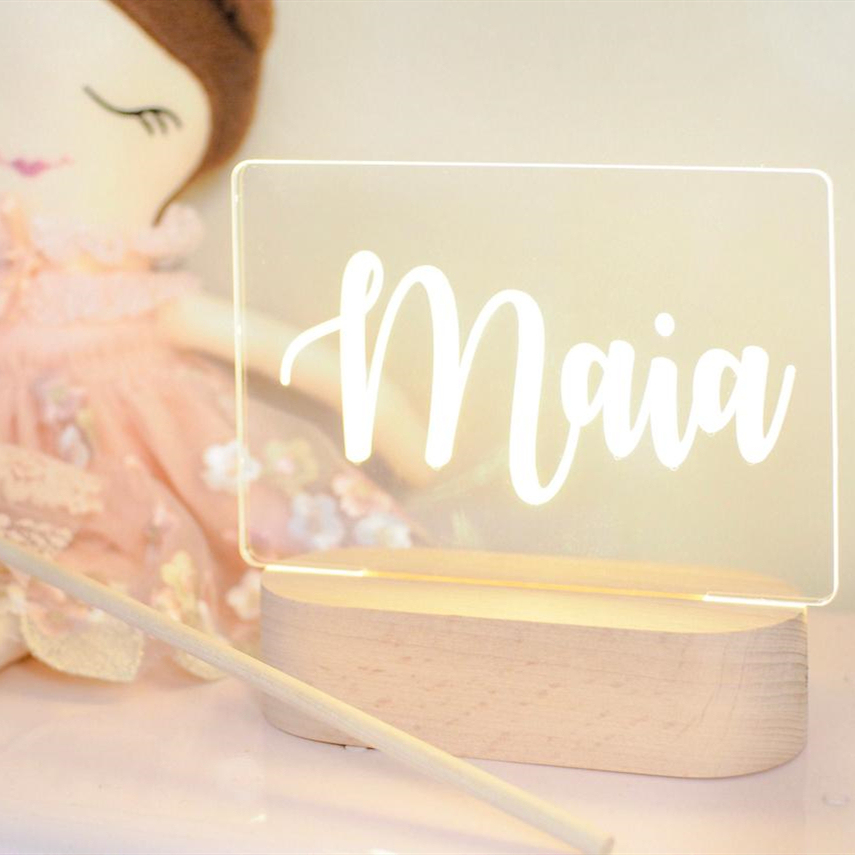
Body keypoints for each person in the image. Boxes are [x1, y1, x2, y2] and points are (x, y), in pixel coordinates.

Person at [0, 0, 419, 681]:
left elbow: (264, 345)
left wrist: (386, 411)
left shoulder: (138, 300)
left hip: (127, 472)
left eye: (124, 110)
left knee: (129, 555)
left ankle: (54, 615)